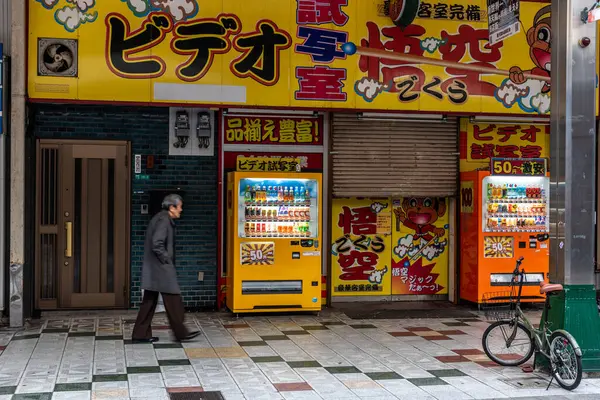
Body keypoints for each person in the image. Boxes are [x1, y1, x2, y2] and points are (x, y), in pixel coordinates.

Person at [132, 194, 200, 343]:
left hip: (155, 268)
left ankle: (140, 333)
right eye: (179, 207)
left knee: (149, 301)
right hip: (161, 268)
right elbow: (157, 243)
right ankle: (181, 332)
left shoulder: (160, 218)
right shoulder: (164, 220)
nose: (181, 210)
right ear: (172, 207)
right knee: (173, 298)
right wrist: (166, 259)